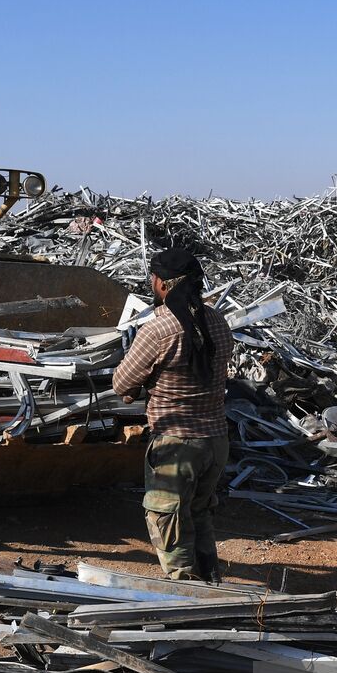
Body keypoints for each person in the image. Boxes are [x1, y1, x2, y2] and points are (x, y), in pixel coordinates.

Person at [112, 248, 235, 582]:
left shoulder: (158, 330)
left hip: (176, 445)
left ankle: (184, 594)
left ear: (163, 283)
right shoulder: (218, 323)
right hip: (215, 440)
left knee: (167, 520)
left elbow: (123, 381)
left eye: (152, 277)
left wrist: (144, 383)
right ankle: (212, 584)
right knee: (199, 514)